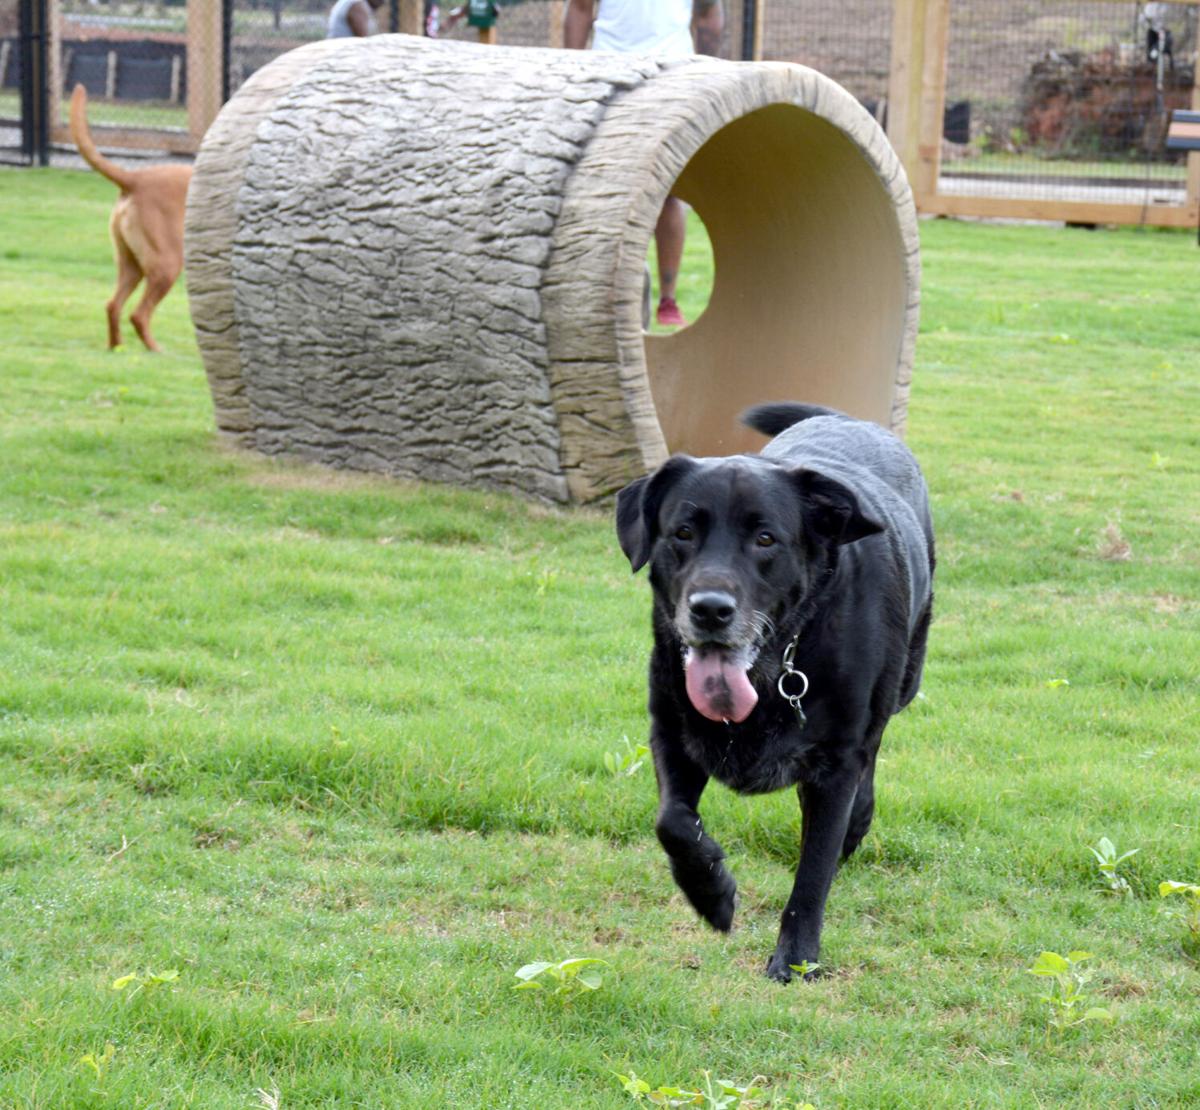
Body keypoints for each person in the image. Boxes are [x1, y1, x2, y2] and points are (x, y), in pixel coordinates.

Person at [564, 0, 724, 328]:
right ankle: (602, 290)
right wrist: (573, 78)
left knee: (668, 190)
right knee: (603, 190)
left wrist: (705, 74)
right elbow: (580, 9)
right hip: (609, 76)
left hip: (672, 77)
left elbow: (709, 14)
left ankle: (668, 300)